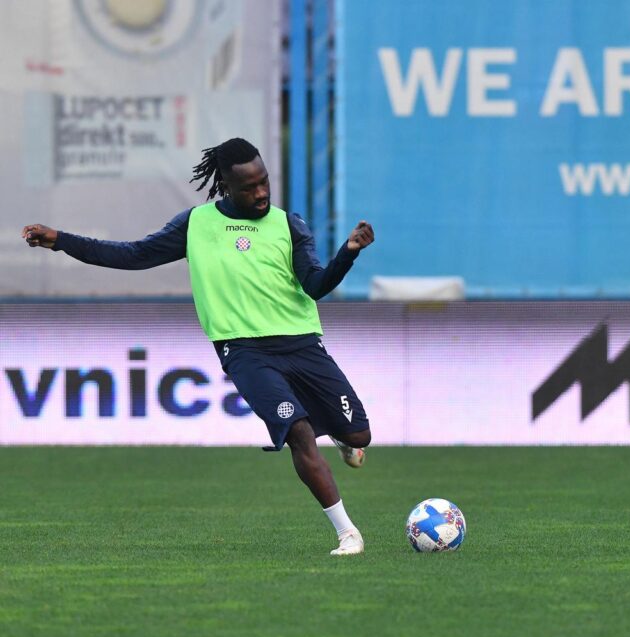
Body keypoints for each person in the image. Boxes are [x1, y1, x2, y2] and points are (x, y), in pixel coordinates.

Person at [21, 137, 374, 556]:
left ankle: (340, 434)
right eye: (249, 187)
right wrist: (61, 239)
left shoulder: (289, 225)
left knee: (360, 434)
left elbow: (315, 285)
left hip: (302, 344)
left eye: (264, 182)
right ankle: (348, 533)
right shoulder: (196, 225)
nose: (261, 192)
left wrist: (347, 253)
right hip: (244, 351)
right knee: (297, 432)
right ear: (225, 185)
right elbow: (132, 255)